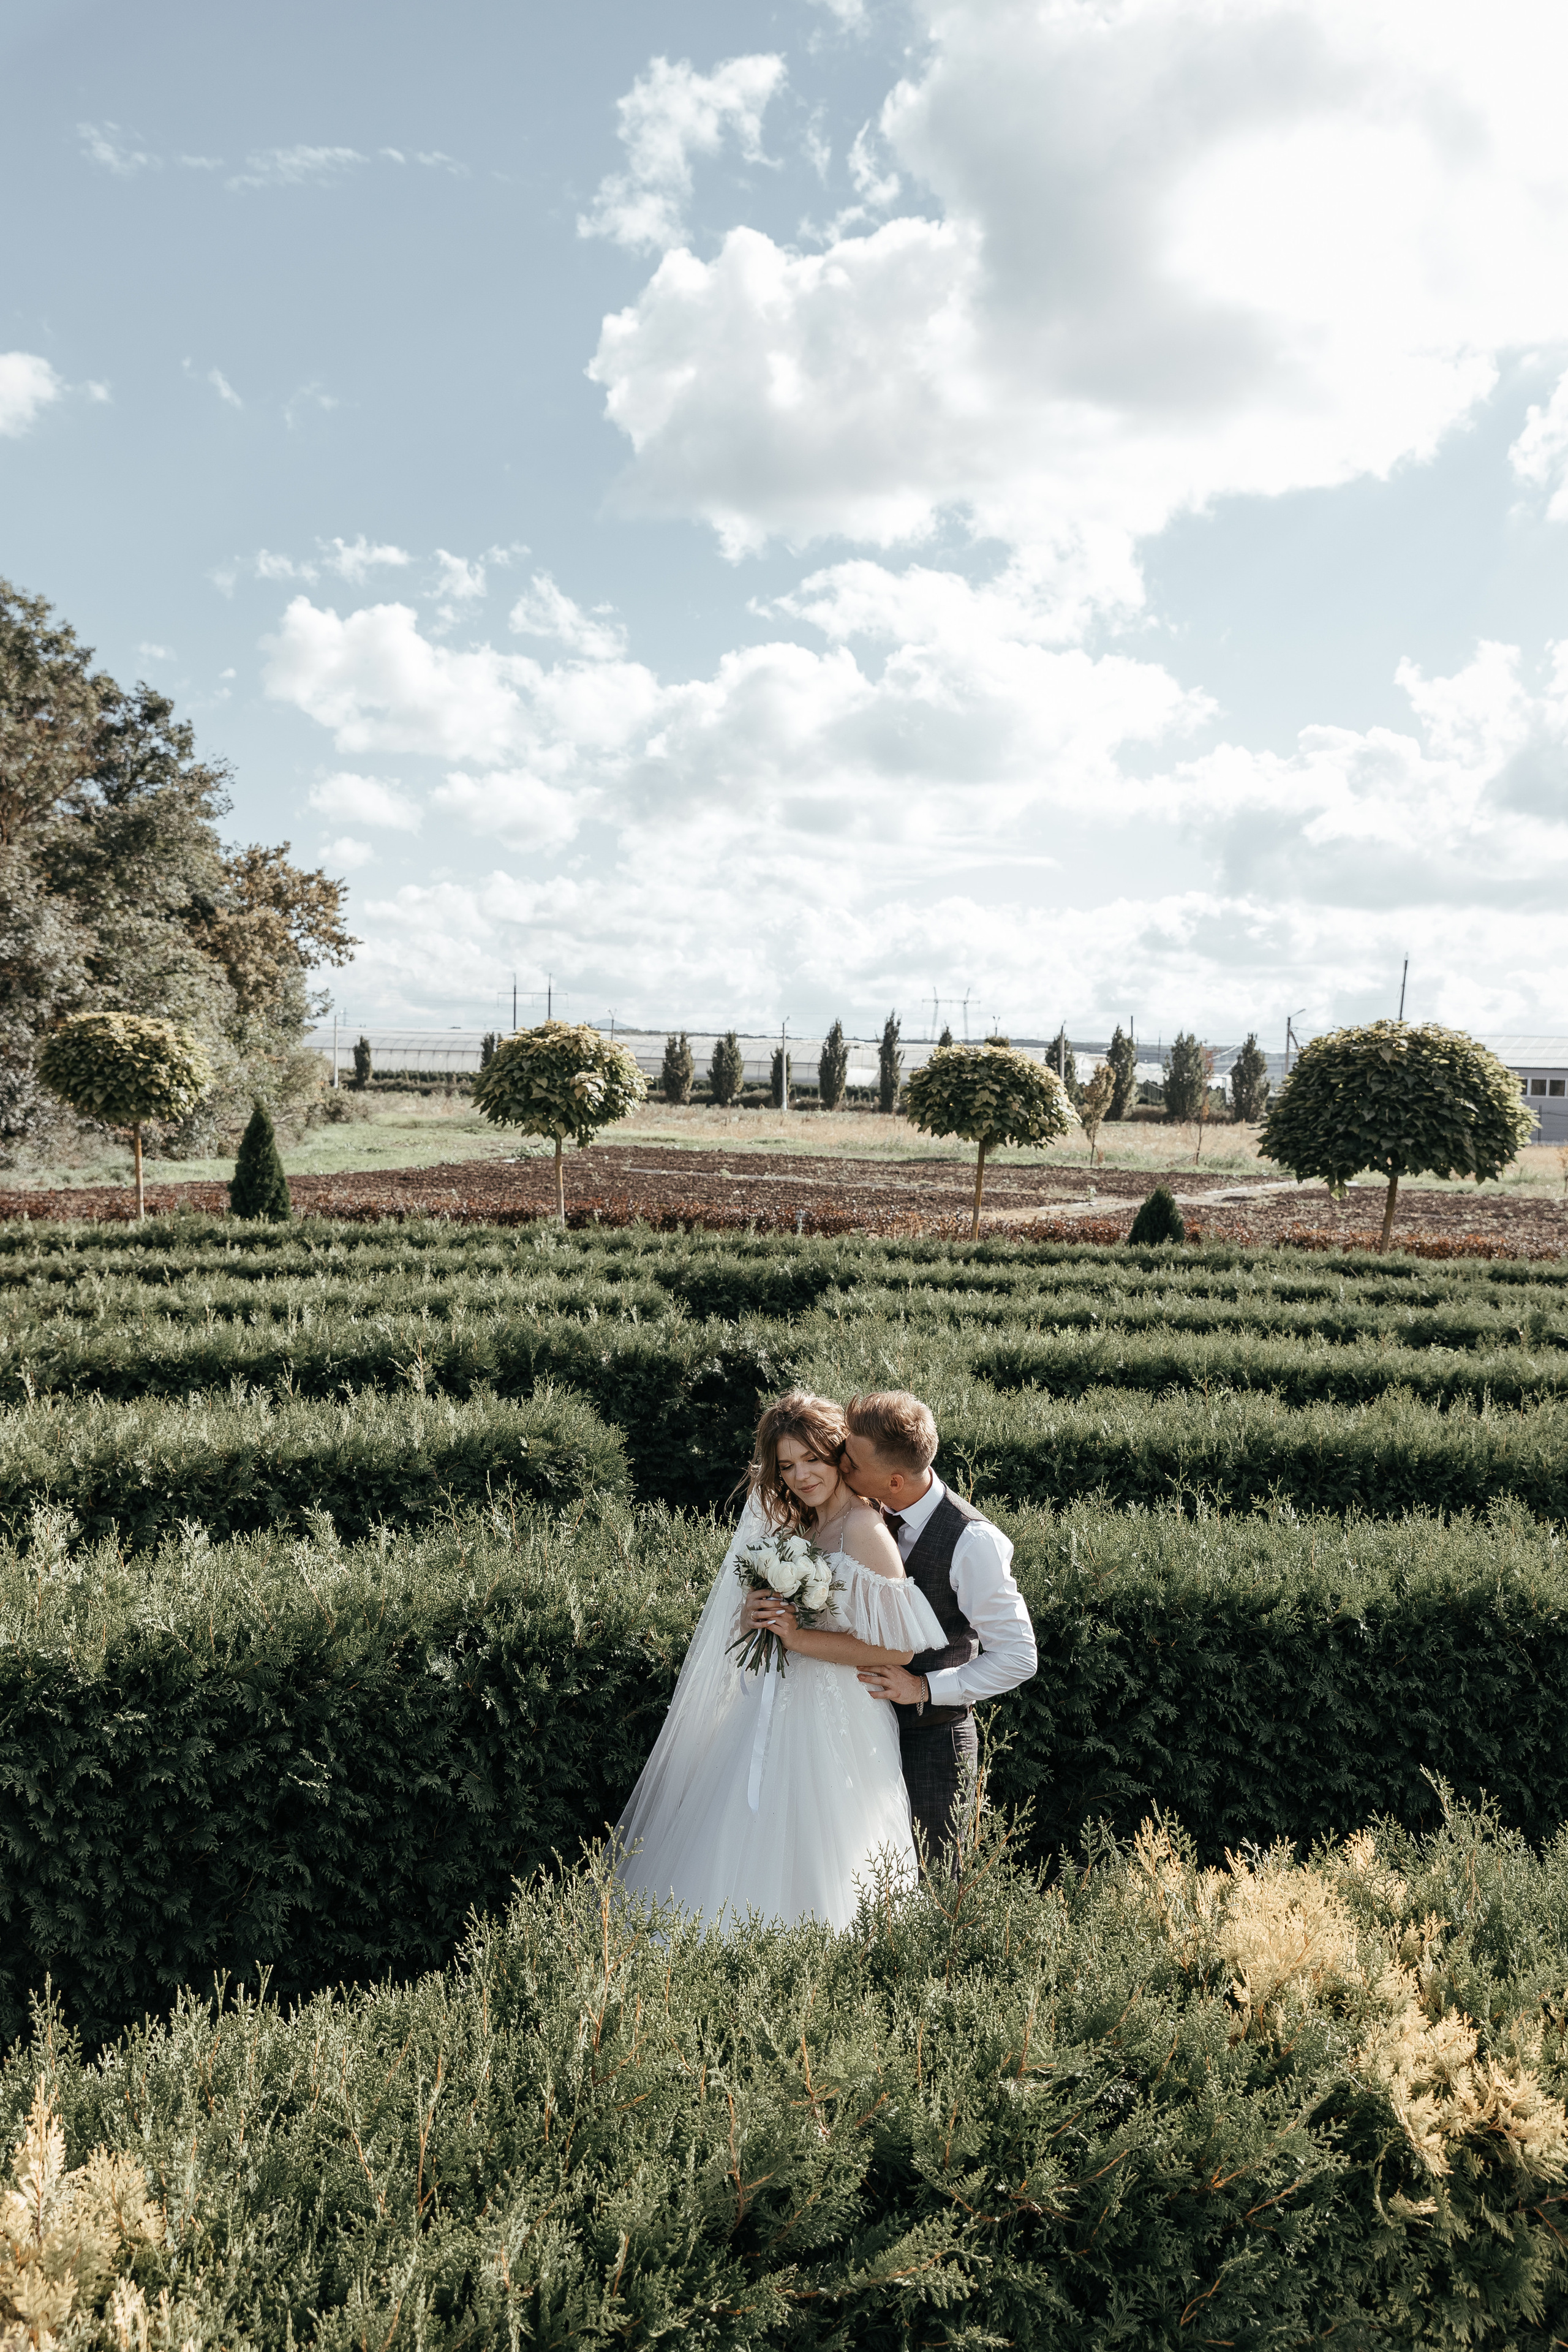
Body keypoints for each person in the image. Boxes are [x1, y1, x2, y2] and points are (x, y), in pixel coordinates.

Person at [612, 1389, 946, 1932]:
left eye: (812, 1458)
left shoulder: (864, 1529)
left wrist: (797, 1639)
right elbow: (772, 1627)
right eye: (787, 1466)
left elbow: (900, 1649)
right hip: (775, 1705)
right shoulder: (801, 1526)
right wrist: (757, 1615)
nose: (801, 1476)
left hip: (839, 1718)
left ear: (839, 1454)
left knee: (827, 1851)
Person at [837, 1390, 1037, 1864]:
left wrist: (924, 1688)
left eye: (851, 1462)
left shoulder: (973, 1542)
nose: (839, 1464)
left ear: (895, 1480)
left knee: (932, 1885)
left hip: (932, 1747)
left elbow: (1019, 1657)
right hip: (857, 1736)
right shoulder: (863, 1512)